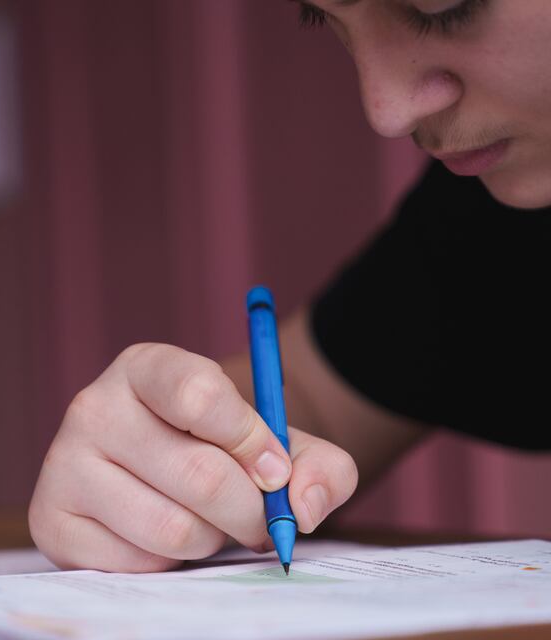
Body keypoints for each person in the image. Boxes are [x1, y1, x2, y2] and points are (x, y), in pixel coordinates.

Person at [28, 0, 551, 572]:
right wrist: (156, 452)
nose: (385, 108)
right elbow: (311, 399)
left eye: (440, 9)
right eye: (322, 18)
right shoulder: (488, 221)